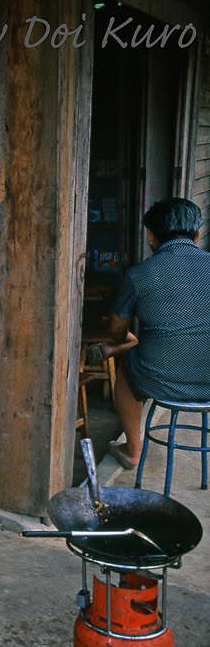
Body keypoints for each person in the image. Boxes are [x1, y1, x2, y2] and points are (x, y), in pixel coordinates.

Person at [105, 197, 210, 469]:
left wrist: (122, 341)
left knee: (127, 369)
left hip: (160, 380)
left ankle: (133, 450)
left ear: (151, 236)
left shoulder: (139, 274)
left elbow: (117, 329)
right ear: (197, 235)